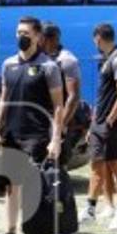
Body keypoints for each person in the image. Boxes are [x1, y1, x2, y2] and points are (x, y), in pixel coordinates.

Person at [0, 16, 63, 234]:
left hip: (37, 136)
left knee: (34, 189)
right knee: (11, 187)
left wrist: (56, 138)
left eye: (27, 33)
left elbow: (59, 107)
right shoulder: (8, 64)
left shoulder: (48, 67)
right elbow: (4, 99)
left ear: (39, 37)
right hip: (12, 134)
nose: (21, 36)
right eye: (19, 32)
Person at [81, 23, 117, 230]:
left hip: (110, 124)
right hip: (100, 124)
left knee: (116, 166)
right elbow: (104, 96)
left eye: (95, 40)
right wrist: (95, 123)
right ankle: (91, 209)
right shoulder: (108, 60)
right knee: (97, 166)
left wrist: (110, 119)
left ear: (98, 38)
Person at [42, 23, 84, 170]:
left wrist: (60, 127)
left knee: (57, 165)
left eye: (42, 38)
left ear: (52, 39)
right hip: (42, 119)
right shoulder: (42, 58)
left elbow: (73, 96)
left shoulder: (67, 60)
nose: (39, 41)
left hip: (59, 120)